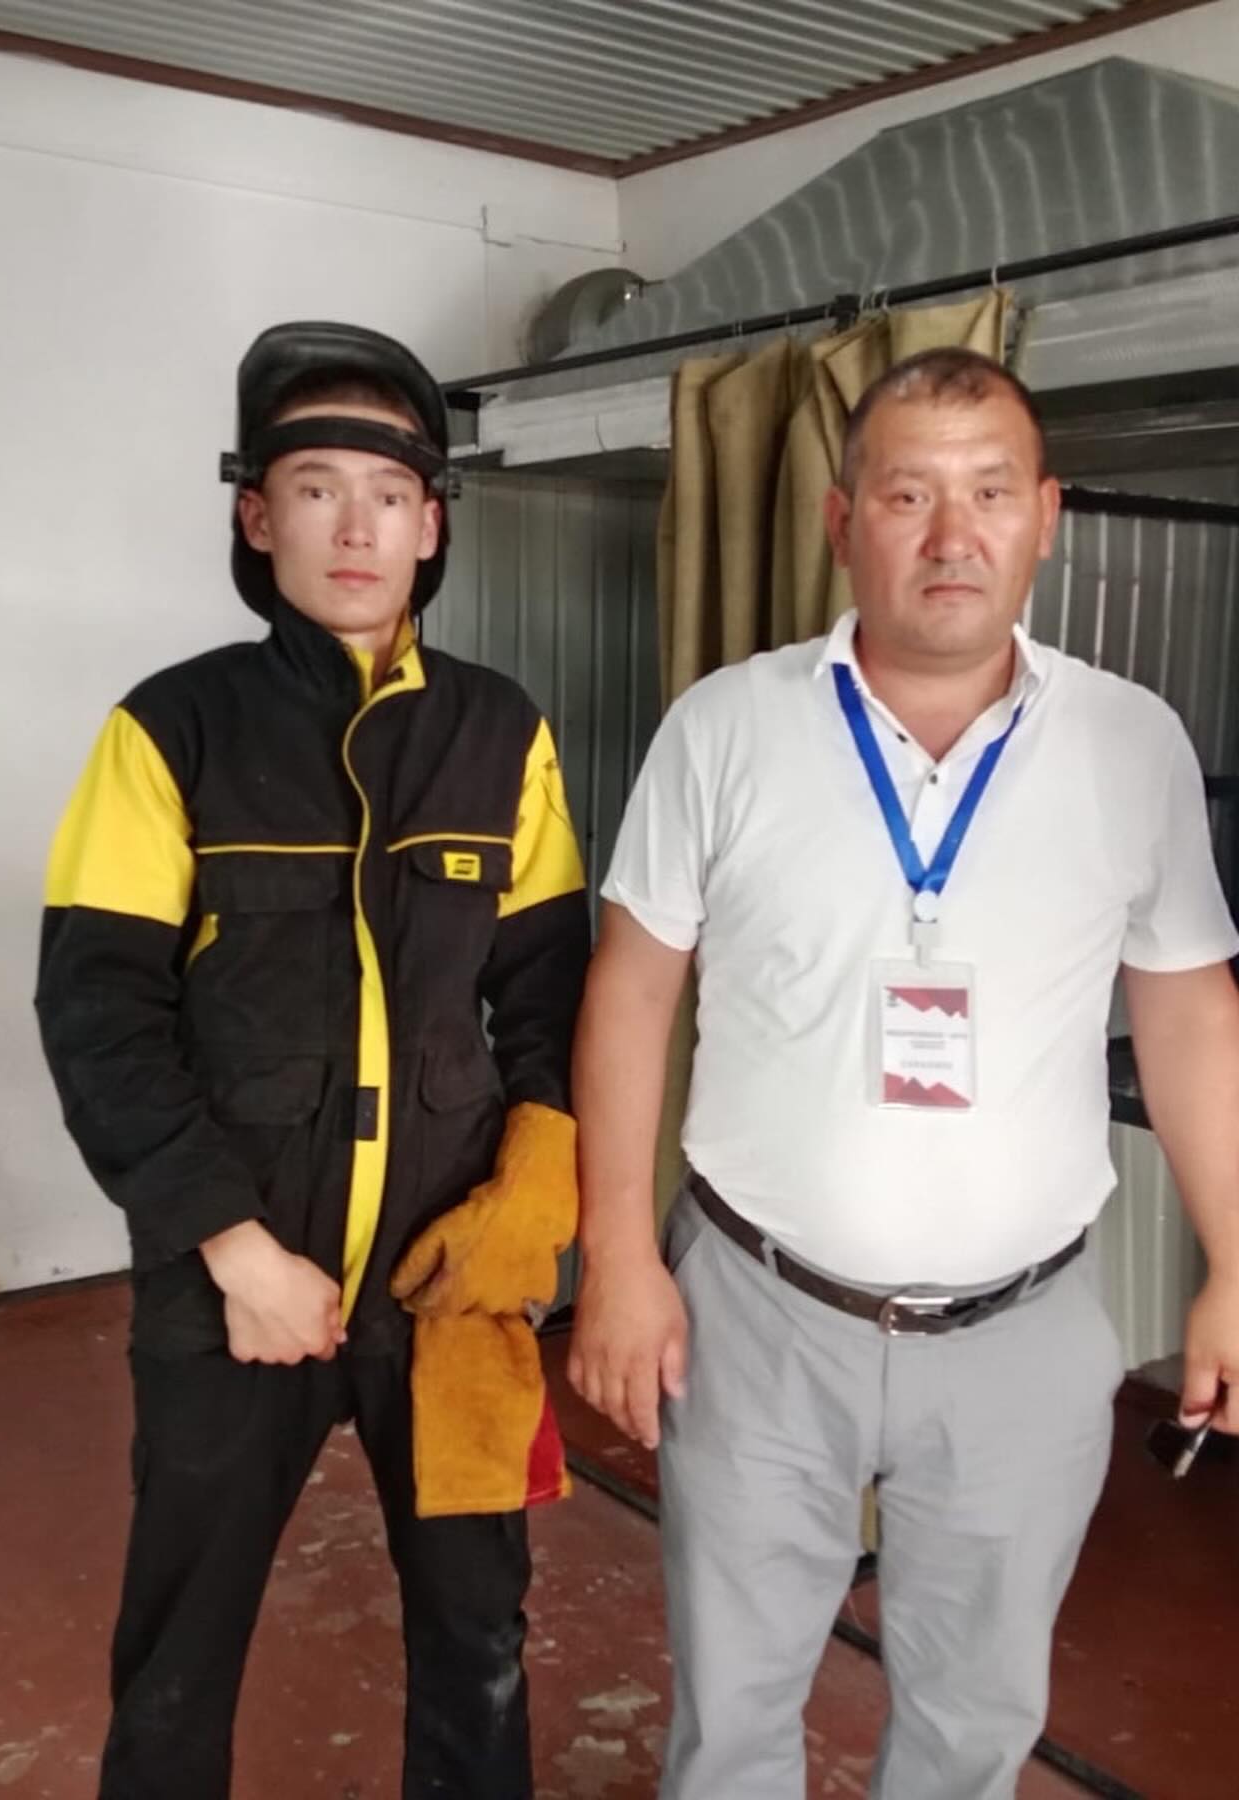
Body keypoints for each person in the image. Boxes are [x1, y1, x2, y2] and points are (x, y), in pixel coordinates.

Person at [569, 346, 1239, 1800]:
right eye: (908, 494)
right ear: (841, 521)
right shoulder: (726, 727)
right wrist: (616, 1256)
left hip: (1024, 1332)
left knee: (973, 1720)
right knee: (733, 1714)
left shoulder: (1131, 744)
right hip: (755, 1312)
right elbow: (631, 992)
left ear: (1046, 517)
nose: (952, 534)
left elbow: (1190, 1008)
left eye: (990, 492)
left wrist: (1237, 1267)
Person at [35, 321, 590, 1799]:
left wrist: (533, 1179)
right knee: (180, 1648)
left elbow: (550, 990)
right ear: (254, 516)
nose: (356, 528)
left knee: (479, 1631)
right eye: (316, 489)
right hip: (233, 1282)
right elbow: (98, 1013)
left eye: (389, 495)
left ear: (431, 527)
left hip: (444, 1276)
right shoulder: (170, 731)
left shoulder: (501, 733)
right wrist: (231, 1246)